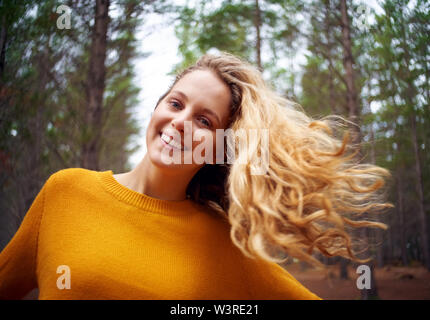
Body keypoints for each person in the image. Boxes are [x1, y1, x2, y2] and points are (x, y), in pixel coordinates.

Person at [0, 51, 391, 300]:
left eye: (204, 120)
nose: (181, 122)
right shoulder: (66, 191)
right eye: (176, 103)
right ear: (157, 108)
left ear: (220, 145)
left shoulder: (226, 240)